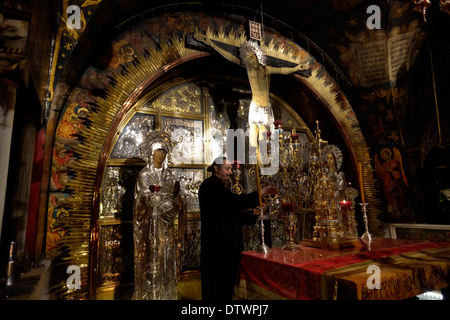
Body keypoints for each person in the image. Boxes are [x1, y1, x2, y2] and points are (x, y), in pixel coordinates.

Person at [194, 33, 310, 152]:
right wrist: (212, 44)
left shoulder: (266, 69)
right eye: (248, 58)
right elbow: (231, 58)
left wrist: (296, 68)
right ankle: (254, 165)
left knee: (263, 140)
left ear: (257, 56)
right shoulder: (248, 69)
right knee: (253, 140)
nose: (251, 60)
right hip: (255, 106)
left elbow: (281, 70)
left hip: (265, 109)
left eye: (252, 57)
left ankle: (263, 165)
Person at [199, 157, 276, 300]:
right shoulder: (210, 186)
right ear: (216, 169)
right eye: (227, 168)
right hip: (218, 249)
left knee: (227, 288)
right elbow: (233, 203)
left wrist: (254, 213)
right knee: (218, 289)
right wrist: (259, 194)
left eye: (231, 169)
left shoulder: (220, 187)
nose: (230, 172)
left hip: (226, 248)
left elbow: (230, 214)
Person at [132, 137, 181, 300]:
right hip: (149, 224)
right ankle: (149, 293)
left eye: (164, 152)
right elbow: (142, 196)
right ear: (151, 153)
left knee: (165, 257)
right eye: (159, 151)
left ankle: (165, 293)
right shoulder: (145, 174)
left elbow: (173, 196)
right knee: (149, 258)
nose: (162, 155)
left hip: (165, 225)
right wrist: (152, 200)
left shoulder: (168, 175)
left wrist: (170, 201)